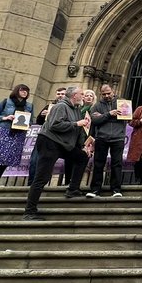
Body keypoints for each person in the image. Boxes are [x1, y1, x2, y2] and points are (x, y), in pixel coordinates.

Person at [23, 86, 90, 220]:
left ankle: (73, 189)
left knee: (82, 157)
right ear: (73, 95)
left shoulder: (76, 110)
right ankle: (29, 212)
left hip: (63, 144)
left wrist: (83, 146)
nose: (83, 96)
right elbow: (55, 125)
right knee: (42, 177)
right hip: (50, 142)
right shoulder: (61, 106)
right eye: (81, 94)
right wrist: (76, 123)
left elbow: (77, 131)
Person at [85, 84, 128, 197]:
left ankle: (116, 189)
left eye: (109, 93)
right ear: (101, 94)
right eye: (104, 94)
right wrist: (109, 114)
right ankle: (95, 190)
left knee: (117, 163)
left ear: (113, 91)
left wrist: (103, 116)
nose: (107, 96)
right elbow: (94, 120)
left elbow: (128, 116)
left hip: (118, 137)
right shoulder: (97, 105)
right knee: (98, 163)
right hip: (101, 138)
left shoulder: (122, 102)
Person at [28, 87, 68, 181]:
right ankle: (31, 183)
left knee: (49, 163)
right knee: (35, 161)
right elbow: (39, 121)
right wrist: (42, 115)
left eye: (62, 94)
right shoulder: (49, 106)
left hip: (58, 138)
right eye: (58, 94)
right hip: (44, 136)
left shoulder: (68, 108)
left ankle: (43, 183)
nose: (60, 96)